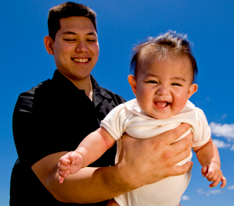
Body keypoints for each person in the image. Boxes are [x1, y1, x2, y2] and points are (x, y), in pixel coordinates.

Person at [10, 2, 194, 206]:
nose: (82, 48)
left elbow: (151, 166)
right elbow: (57, 180)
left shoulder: (121, 105)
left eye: (91, 39)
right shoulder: (33, 103)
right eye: (70, 39)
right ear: (50, 45)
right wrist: (126, 177)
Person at [58, 31, 226, 206]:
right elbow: (101, 138)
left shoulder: (193, 116)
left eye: (175, 84)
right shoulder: (126, 112)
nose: (163, 91)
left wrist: (212, 163)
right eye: (153, 81)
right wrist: (81, 155)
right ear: (134, 85)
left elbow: (205, 145)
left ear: (190, 91)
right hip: (125, 199)